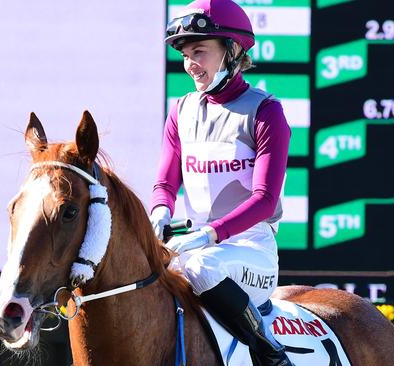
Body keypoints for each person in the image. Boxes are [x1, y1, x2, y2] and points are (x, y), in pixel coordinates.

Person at [150, 1, 292, 365]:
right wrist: (160, 213)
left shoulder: (266, 112)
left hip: (252, 253)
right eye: (185, 54)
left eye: (200, 51)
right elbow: (165, 183)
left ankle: (269, 351)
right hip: (194, 248)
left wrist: (209, 234)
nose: (190, 63)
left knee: (203, 267)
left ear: (232, 50)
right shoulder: (180, 111)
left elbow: (263, 200)